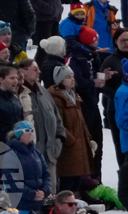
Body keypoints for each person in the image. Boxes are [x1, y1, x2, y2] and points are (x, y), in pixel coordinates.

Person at [18, 58, 66, 189]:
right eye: (34, 69)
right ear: (22, 72)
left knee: (51, 194)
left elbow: (57, 118)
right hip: (31, 158)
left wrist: (59, 139)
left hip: (50, 155)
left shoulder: (43, 92)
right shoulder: (18, 94)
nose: (39, 72)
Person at [49, 64, 94, 193]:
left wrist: (87, 138)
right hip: (68, 147)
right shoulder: (57, 99)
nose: (72, 79)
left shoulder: (74, 96)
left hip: (79, 145)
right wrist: (70, 140)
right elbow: (59, 123)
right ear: (60, 80)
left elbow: (81, 122)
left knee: (76, 181)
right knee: (67, 182)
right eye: (68, 77)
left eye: (73, 76)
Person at [8, 120, 52, 214]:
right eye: (27, 131)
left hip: (39, 204)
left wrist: (45, 191)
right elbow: (12, 180)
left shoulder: (37, 153)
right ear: (19, 134)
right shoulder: (11, 154)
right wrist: (32, 194)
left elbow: (46, 174)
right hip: (20, 205)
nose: (31, 134)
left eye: (32, 131)